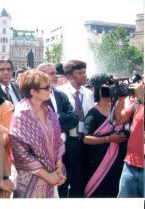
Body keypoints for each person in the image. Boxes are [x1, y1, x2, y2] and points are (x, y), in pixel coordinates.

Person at [9, 69, 66, 198]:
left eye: (50, 86)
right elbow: (20, 153)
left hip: (52, 177)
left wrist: (59, 168)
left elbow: (58, 140)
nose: (50, 90)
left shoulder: (49, 110)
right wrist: (48, 176)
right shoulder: (21, 114)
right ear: (33, 91)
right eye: (46, 88)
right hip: (31, 181)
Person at [82, 73, 127, 197]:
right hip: (99, 161)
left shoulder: (117, 110)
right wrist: (110, 138)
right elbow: (86, 139)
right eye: (106, 89)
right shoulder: (93, 113)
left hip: (117, 160)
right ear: (99, 92)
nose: (110, 91)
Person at [37, 63, 79, 197]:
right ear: (41, 76)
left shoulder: (61, 95)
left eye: (55, 73)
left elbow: (74, 118)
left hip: (66, 147)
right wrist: (60, 119)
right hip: (45, 150)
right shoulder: (36, 97)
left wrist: (55, 119)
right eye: (51, 73)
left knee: (64, 183)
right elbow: (39, 122)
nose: (55, 76)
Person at [56, 60, 94, 197]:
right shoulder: (59, 93)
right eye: (80, 73)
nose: (84, 75)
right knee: (63, 181)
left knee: (80, 181)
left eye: (84, 72)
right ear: (69, 76)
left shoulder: (89, 94)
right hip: (65, 143)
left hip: (84, 142)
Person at [115, 80, 144, 197]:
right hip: (130, 165)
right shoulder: (138, 103)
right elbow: (118, 120)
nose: (139, 86)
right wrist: (121, 99)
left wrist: (143, 97)